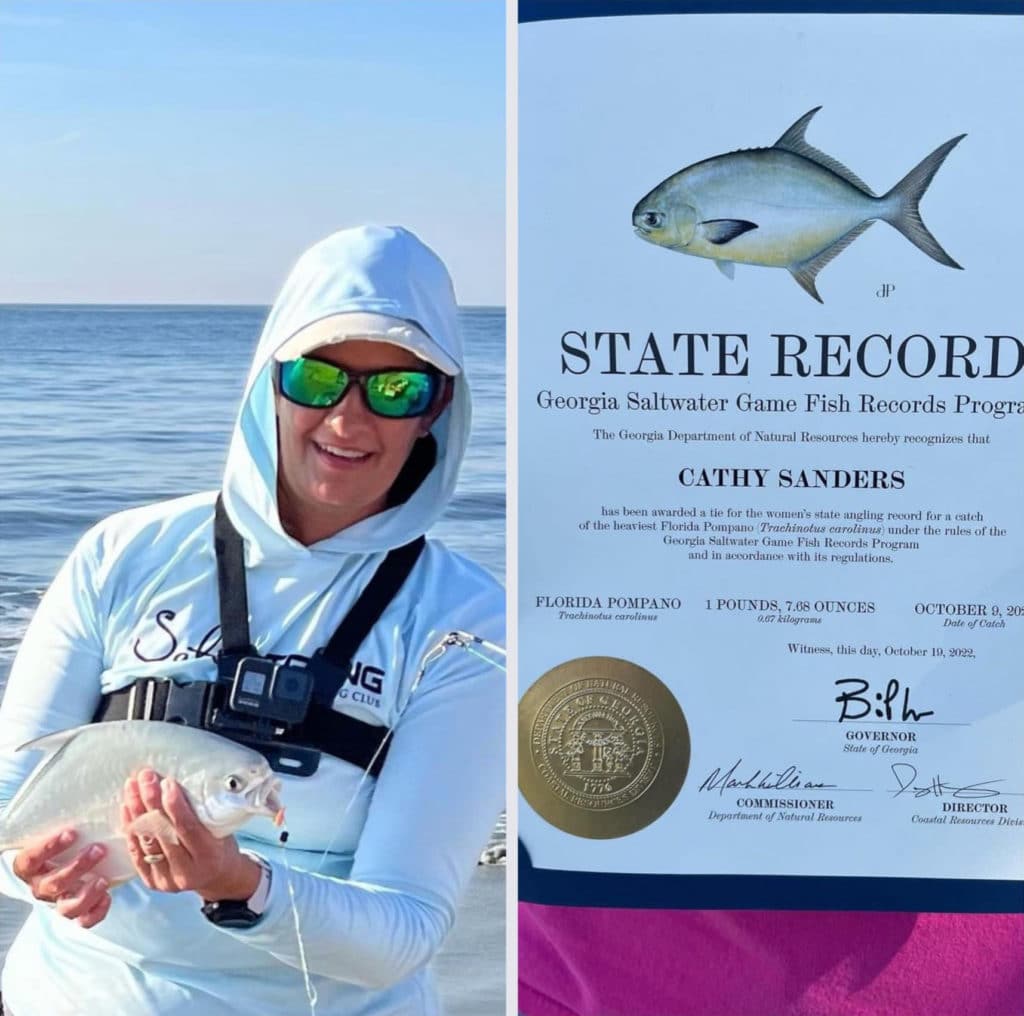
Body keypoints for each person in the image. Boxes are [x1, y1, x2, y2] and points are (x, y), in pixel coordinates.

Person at [0, 225, 504, 1016]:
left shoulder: (466, 619)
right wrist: (35, 869)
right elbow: (10, 809)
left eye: (396, 389)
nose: (347, 420)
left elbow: (404, 931)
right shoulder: (122, 553)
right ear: (269, 378)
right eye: (315, 377)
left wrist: (240, 884)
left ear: (438, 408)